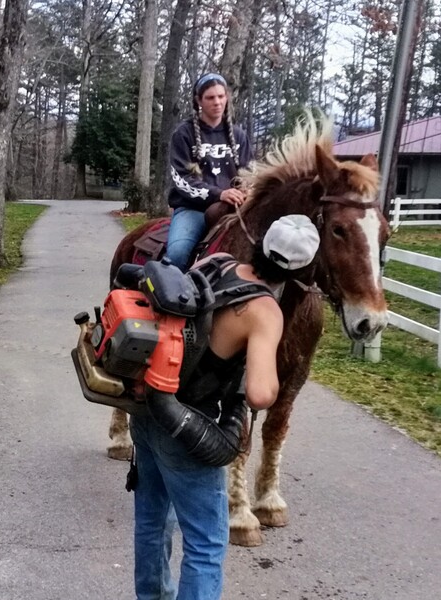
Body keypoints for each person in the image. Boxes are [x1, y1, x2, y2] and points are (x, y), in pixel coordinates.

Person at [129, 214, 321, 600]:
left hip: (147, 408)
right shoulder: (266, 310)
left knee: (152, 521)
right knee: (206, 543)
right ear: (304, 267)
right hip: (189, 428)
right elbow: (261, 394)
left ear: (263, 242)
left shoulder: (217, 263)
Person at [165, 72, 253, 271]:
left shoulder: (239, 135)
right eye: (210, 98)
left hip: (234, 210)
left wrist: (247, 190)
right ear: (199, 101)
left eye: (221, 96)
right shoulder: (183, 134)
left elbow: (251, 173)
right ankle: (171, 298)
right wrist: (219, 194)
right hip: (193, 209)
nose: (217, 102)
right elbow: (181, 179)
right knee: (177, 254)